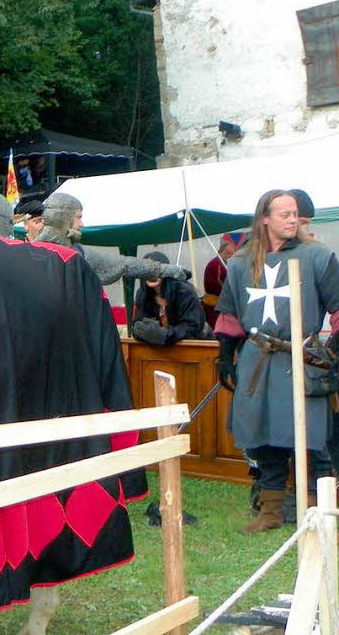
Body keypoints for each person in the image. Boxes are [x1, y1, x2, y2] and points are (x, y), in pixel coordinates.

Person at [215, 189, 339, 533]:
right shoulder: (241, 262)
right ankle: (270, 512)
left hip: (303, 357)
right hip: (257, 359)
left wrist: (335, 350)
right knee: (263, 434)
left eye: (295, 213)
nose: (292, 219)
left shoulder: (318, 256)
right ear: (264, 218)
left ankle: (318, 512)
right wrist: (225, 355)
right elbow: (229, 315)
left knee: (313, 437)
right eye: (283, 213)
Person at [35, 193, 189, 285]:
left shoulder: (77, 252)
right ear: (64, 217)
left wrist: (165, 270)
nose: (81, 224)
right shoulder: (73, 255)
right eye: (78, 217)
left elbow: (125, 264)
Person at [131, 251, 209, 345]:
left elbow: (192, 326)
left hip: (197, 345)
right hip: (160, 350)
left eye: (156, 270)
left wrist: (164, 335)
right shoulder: (142, 294)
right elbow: (139, 323)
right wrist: (142, 331)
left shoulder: (184, 292)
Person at [202, 235, 237, 328]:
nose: (234, 248)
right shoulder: (215, 264)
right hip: (214, 307)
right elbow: (219, 285)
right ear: (225, 248)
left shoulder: (223, 263)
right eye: (231, 245)